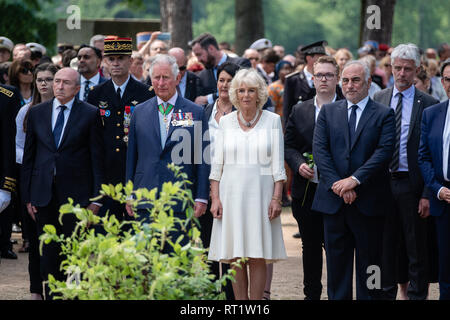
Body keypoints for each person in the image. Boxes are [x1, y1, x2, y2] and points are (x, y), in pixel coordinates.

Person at [312, 60, 395, 300]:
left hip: (369, 201)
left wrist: (355, 180)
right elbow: (321, 152)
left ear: (369, 83)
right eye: (346, 80)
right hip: (334, 203)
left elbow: (384, 152)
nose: (350, 85)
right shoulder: (328, 112)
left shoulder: (384, 114)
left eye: (356, 80)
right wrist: (340, 185)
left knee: (372, 267)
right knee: (337, 267)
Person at [21, 68, 104, 300]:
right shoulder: (37, 112)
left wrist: (96, 200)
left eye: (65, 83)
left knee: (76, 250)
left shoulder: (90, 113)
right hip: (43, 194)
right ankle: (52, 296)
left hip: (77, 197)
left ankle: (76, 296)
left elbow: (97, 160)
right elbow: (29, 158)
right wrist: (27, 196)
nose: (59, 86)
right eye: (56, 81)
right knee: (48, 252)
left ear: (77, 88)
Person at [208, 68, 287, 300]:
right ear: (235, 93)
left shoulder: (273, 121)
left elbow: (278, 165)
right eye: (241, 90)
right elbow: (217, 165)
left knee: (257, 255)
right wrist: (215, 197)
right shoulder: (226, 123)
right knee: (234, 255)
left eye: (251, 90)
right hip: (230, 196)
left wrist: (276, 198)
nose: (245, 95)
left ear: (259, 93)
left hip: (261, 197)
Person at [373, 43, 439, 300]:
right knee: (386, 246)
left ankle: (416, 296)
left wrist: (426, 193)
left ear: (417, 70)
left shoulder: (429, 104)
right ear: (390, 67)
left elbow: (431, 152)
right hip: (382, 184)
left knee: (417, 248)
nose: (401, 73)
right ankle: (386, 294)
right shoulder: (378, 99)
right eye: (397, 68)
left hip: (412, 185)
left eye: (407, 69)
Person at [125, 54, 209, 247]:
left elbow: (202, 157)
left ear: (177, 78)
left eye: (166, 77)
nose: (161, 83)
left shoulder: (194, 112)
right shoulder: (139, 112)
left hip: (180, 199)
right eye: (156, 77)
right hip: (145, 198)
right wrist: (129, 193)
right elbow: (132, 157)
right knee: (148, 260)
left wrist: (201, 195)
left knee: (178, 261)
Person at [285, 55, 344, 300]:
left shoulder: (349, 108)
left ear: (337, 78)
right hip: (307, 190)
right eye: (319, 75)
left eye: (329, 75)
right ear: (312, 77)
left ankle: (337, 294)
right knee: (309, 246)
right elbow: (288, 145)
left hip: (338, 191)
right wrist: (299, 165)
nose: (323, 79)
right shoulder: (300, 110)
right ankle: (312, 295)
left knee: (336, 247)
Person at [87, 37, 153, 229]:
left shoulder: (145, 92)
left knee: (133, 234)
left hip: (134, 172)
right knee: (105, 234)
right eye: (111, 59)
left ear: (130, 61)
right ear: (104, 62)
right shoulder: (96, 93)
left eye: (121, 58)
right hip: (105, 174)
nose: (116, 63)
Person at [15, 62, 58, 300]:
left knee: (54, 242)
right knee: (34, 239)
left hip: (58, 182)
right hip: (32, 178)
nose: (43, 84)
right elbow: (18, 146)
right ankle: (35, 290)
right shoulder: (27, 111)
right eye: (40, 80)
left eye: (48, 79)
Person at [203, 61, 240, 300]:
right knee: (207, 247)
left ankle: (230, 298)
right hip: (205, 188)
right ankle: (209, 297)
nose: (224, 85)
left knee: (229, 248)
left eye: (229, 80)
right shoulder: (204, 111)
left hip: (233, 188)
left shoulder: (242, 113)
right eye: (221, 80)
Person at [418, 58, 450, 300]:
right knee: (445, 268)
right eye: (448, 79)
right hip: (443, 199)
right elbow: (423, 157)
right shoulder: (432, 114)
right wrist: (437, 189)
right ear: (442, 82)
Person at [189, 32, 251, 106]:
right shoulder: (202, 76)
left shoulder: (241, 64)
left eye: (199, 54)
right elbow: (200, 101)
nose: (198, 60)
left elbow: (244, 91)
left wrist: (209, 98)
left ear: (211, 48)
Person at [283, 40, 328, 127]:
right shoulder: (293, 80)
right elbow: (287, 110)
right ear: (308, 58)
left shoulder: (327, 79)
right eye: (320, 58)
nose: (323, 61)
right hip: (299, 129)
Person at [0, 83, 20, 261]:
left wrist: (7, 182)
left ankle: (4, 244)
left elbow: (9, 141)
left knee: (4, 210)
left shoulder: (7, 95)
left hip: (0, 167)